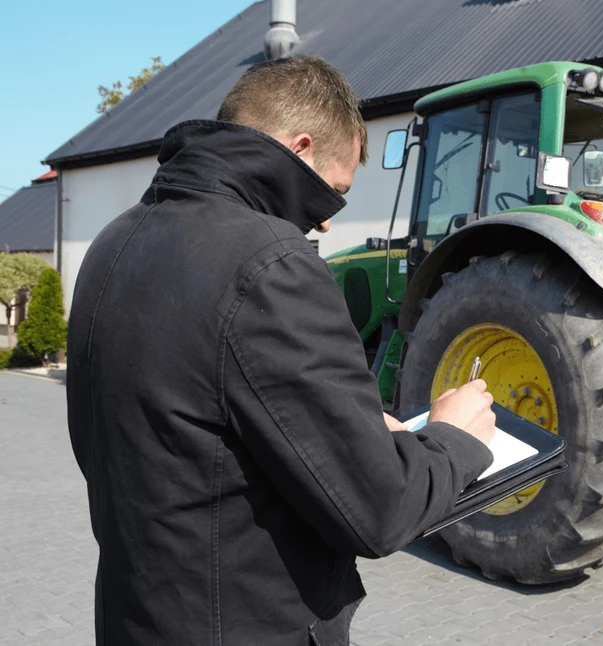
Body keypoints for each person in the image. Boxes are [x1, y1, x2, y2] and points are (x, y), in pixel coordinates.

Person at [66, 56, 496, 645]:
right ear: (298, 150)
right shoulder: (271, 265)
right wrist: (455, 438)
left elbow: (179, 432)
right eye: (333, 194)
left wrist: (352, 431)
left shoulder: (111, 245)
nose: (322, 224)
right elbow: (380, 511)